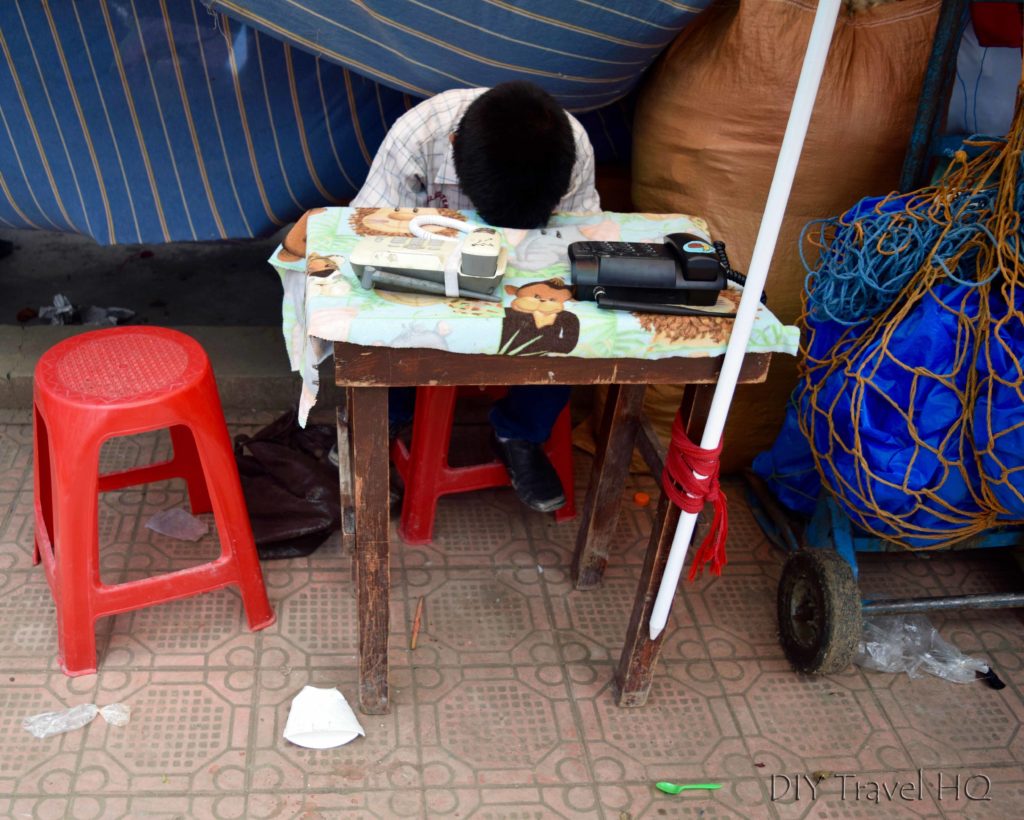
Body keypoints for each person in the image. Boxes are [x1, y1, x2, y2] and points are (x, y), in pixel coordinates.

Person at [349, 81, 601, 512]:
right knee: (383, 308)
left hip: (529, 274)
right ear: (453, 147)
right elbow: (371, 232)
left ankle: (520, 430)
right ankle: (390, 415)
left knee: (570, 317)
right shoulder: (420, 136)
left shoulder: (569, 144)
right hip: (433, 275)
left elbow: (581, 233)